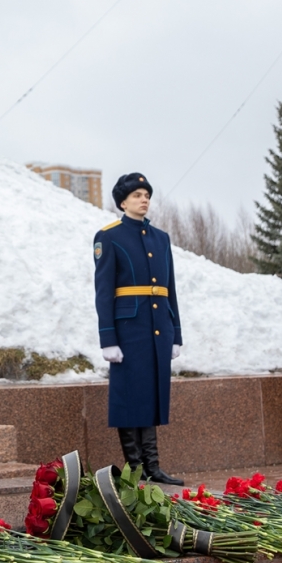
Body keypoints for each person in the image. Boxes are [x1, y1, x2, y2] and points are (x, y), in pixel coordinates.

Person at [93, 173, 183, 485]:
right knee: (130, 397)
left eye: (146, 194)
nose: (143, 199)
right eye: (136, 195)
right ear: (122, 202)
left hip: (157, 328)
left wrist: (176, 331)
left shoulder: (161, 238)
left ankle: (153, 467)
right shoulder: (109, 236)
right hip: (128, 330)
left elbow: (170, 287)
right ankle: (135, 467)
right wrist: (108, 338)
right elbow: (104, 292)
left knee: (152, 395)